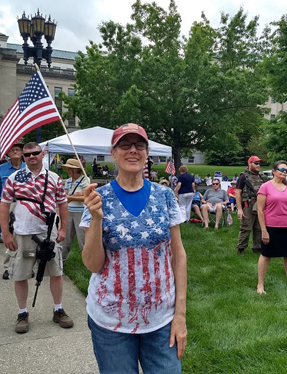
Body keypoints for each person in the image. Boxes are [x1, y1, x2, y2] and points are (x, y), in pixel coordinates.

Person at [81, 123, 187, 373]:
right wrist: (96, 218)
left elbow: (178, 255)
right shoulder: (98, 198)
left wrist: (180, 314)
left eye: (139, 145)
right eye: (125, 145)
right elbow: (93, 265)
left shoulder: (164, 195)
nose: (133, 150)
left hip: (161, 320)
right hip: (111, 323)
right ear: (114, 153)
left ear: (147, 153)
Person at [0, 142, 72, 334]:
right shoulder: (15, 178)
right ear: (23, 157)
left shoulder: (54, 178)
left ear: (42, 154)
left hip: (48, 232)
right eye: (27, 154)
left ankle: (58, 309)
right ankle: (22, 313)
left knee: (55, 272)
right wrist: (6, 233)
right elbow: (5, 205)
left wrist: (63, 228)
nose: (32, 157)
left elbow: (63, 204)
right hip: (23, 232)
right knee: (20, 274)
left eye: (35, 153)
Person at [257, 161, 287, 294]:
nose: (284, 172)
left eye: (286, 170)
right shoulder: (265, 187)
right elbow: (260, 210)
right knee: (266, 255)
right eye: (281, 169)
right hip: (271, 226)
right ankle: (260, 286)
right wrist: (264, 230)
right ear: (274, 171)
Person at [0, 142, 26, 279]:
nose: (16, 151)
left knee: (25, 237)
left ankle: (25, 266)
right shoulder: (1, 169)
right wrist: (2, 209)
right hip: (8, 205)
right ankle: (9, 267)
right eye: (13, 149)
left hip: (26, 206)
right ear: (7, 153)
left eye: (18, 149)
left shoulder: (29, 168)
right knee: (10, 237)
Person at [236, 156, 268, 255]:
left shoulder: (262, 176)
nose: (258, 165)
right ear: (249, 164)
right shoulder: (243, 177)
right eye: (256, 163)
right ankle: (241, 248)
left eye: (259, 163)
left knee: (259, 227)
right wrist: (240, 209)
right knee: (246, 227)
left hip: (260, 205)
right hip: (248, 205)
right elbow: (237, 193)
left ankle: (258, 248)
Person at [60, 158, 90, 261]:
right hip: (68, 211)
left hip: (81, 212)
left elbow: (87, 198)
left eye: (69, 169)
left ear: (76, 170)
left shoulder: (85, 180)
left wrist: (72, 197)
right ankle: (62, 258)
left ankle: (87, 260)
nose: (67, 171)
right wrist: (76, 196)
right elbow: (64, 196)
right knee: (66, 237)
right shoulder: (68, 181)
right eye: (67, 169)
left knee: (82, 237)